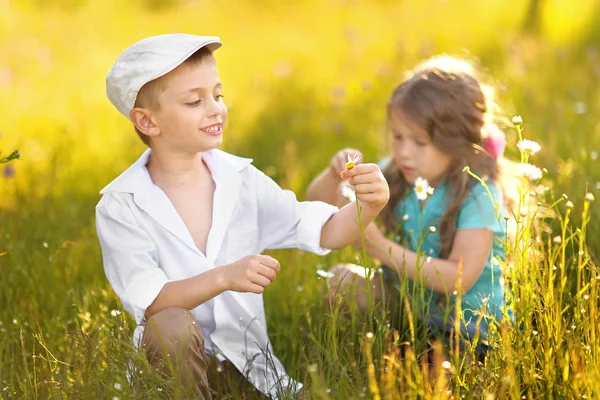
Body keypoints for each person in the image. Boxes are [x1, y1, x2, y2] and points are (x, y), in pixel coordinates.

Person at [96, 33, 390, 399]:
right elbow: (152, 301)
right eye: (194, 101)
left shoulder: (242, 181)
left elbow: (325, 231)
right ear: (147, 122)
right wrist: (225, 276)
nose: (216, 108)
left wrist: (369, 206)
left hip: (252, 368)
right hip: (174, 369)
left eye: (218, 95)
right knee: (170, 324)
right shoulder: (122, 205)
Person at [306, 55, 514, 357]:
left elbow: (459, 278)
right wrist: (333, 173)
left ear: (454, 141)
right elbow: (315, 206)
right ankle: (378, 347)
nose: (404, 152)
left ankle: (415, 358)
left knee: (430, 375)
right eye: (398, 137)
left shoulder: (478, 192)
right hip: (408, 305)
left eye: (419, 142)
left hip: (466, 326)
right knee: (340, 282)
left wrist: (380, 248)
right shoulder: (396, 172)